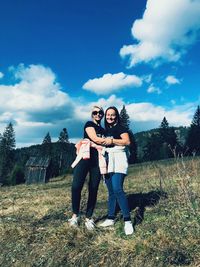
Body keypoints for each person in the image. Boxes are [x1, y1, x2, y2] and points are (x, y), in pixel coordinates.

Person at [68, 106, 112, 230]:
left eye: (100, 113)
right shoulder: (89, 124)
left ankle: (88, 217)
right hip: (85, 156)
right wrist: (107, 141)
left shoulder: (104, 130)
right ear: (92, 115)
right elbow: (94, 138)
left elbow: (105, 143)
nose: (98, 114)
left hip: (98, 158)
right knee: (76, 185)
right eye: (95, 112)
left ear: (102, 115)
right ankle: (75, 216)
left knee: (94, 187)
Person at [99, 106, 134, 235]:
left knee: (117, 188)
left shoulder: (121, 128)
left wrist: (112, 140)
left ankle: (128, 221)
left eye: (112, 115)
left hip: (119, 159)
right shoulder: (106, 130)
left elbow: (127, 141)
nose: (110, 117)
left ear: (116, 116)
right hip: (107, 160)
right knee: (111, 191)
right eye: (108, 115)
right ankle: (110, 218)